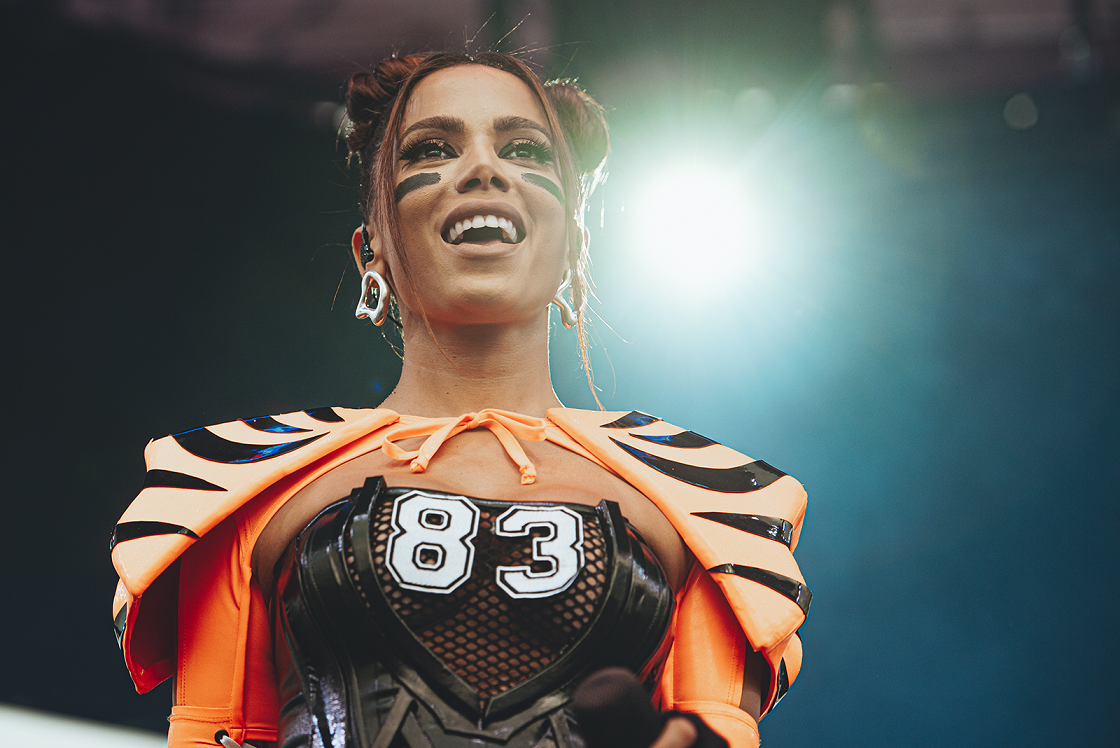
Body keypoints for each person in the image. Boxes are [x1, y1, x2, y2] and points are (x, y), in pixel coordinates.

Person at [109, 51, 811, 748]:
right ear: (371, 250)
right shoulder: (241, 486)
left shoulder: (702, 502)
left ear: (575, 246)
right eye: (432, 149)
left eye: (525, 149)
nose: (483, 169)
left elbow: (715, 732)